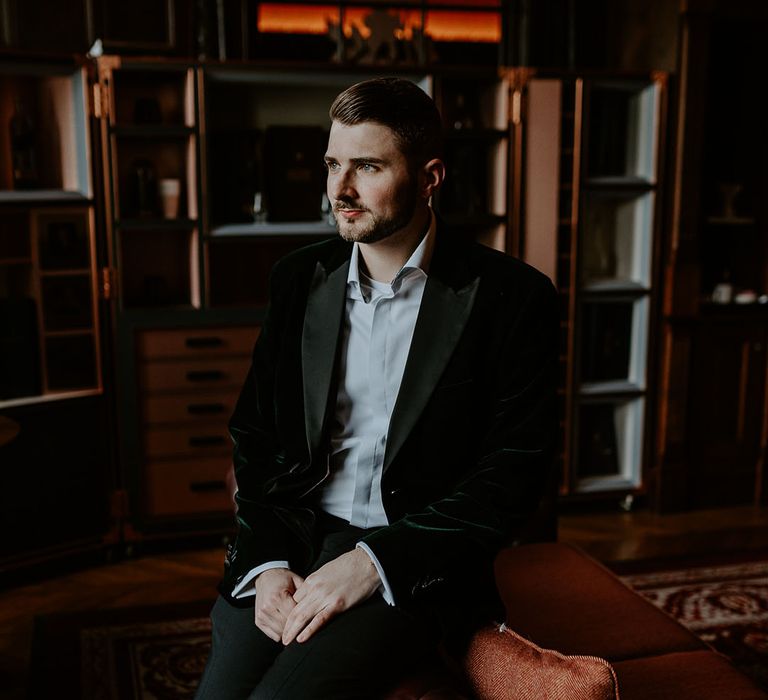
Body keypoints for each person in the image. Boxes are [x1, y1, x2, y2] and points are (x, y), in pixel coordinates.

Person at [195, 77, 559, 700]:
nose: (340, 190)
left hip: (412, 562)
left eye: (367, 166)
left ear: (430, 177)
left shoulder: (512, 298)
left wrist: (375, 561)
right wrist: (270, 560)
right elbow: (254, 437)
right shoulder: (297, 280)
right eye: (334, 163)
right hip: (295, 538)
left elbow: (513, 474)